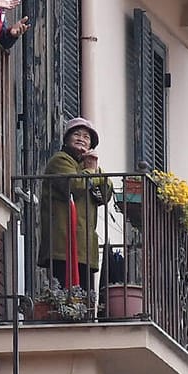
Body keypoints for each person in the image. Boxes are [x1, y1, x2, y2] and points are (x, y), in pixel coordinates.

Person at [37, 118, 113, 291]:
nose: (81, 139)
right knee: (66, 290)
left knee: (84, 295)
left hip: (85, 246)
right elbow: (75, 185)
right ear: (67, 139)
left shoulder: (90, 168)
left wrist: (94, 172)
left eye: (86, 137)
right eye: (76, 134)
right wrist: (91, 172)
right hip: (63, 243)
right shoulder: (60, 161)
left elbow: (105, 194)